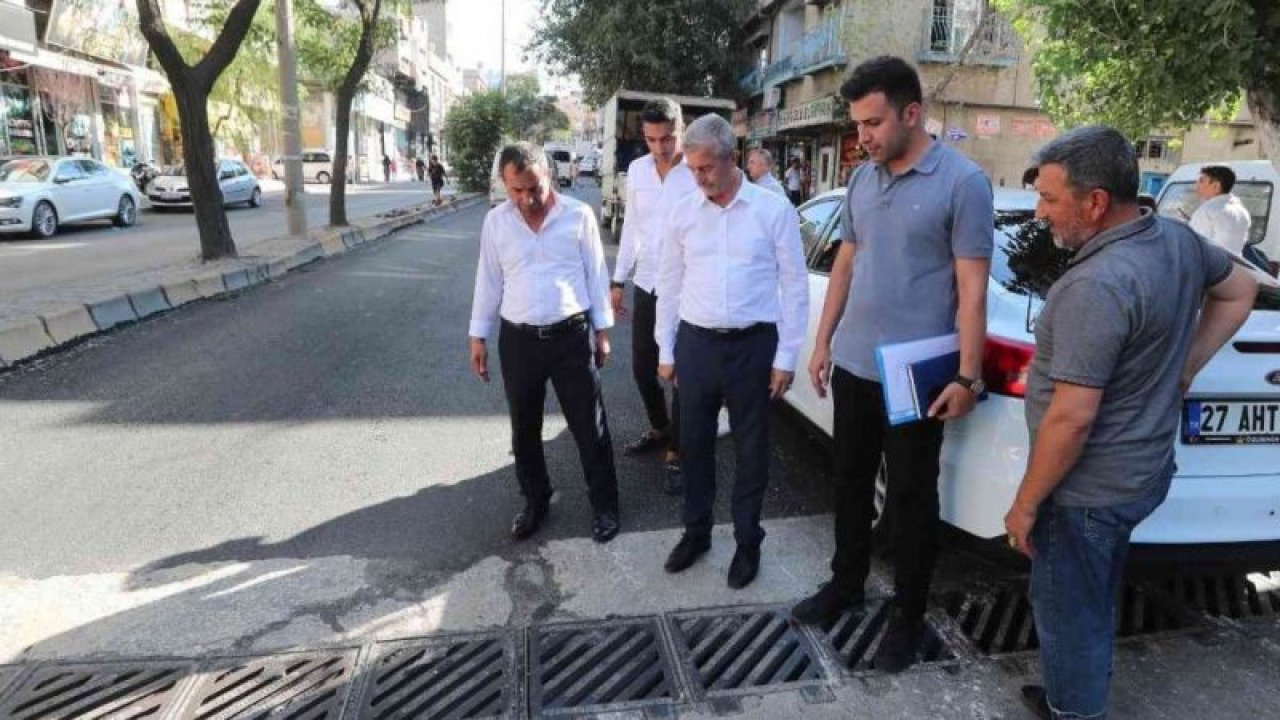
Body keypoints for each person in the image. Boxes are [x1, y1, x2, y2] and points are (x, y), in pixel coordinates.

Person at [1006, 126, 1257, 720]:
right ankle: (1077, 693)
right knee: (1092, 595)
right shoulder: (1175, 238)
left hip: (1087, 492)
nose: (1040, 213)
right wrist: (1186, 368)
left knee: (1071, 612)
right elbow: (1241, 288)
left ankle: (1074, 709)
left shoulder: (1095, 285)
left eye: (1049, 198)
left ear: (1095, 202)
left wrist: (1025, 504)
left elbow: (1072, 419)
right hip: (1142, 472)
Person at [790, 56, 994, 675]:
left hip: (916, 374)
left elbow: (973, 290)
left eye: (873, 123)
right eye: (858, 124)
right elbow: (846, 263)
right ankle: (846, 583)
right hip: (855, 363)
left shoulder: (963, 183)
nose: (863, 136)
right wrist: (823, 342)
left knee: (910, 498)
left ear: (912, 113)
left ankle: (907, 617)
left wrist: (967, 375)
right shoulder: (862, 179)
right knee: (849, 482)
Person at [655, 114, 808, 589]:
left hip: (752, 346)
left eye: (706, 168)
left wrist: (786, 358)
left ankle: (747, 542)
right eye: (692, 169)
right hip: (697, 344)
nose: (699, 178)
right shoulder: (683, 211)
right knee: (694, 445)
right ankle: (696, 533)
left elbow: (795, 287)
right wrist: (666, 348)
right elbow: (669, 283)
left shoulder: (773, 210)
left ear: (731, 158)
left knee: (752, 451)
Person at [468, 142, 621, 545]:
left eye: (534, 188)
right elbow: (488, 280)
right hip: (519, 341)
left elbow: (596, 274)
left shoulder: (578, 215)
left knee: (589, 426)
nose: (527, 198)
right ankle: (536, 501)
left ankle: (605, 505)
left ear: (549, 176)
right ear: (505, 184)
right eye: (516, 190)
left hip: (572, 337)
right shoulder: (496, 223)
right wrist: (478, 335)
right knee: (524, 429)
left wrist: (602, 332)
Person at [611, 98, 699, 494]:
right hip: (647, 281)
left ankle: (678, 450)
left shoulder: (697, 169)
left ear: (681, 130)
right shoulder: (637, 170)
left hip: (687, 286)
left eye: (667, 138)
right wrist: (618, 280)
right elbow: (632, 226)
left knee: (680, 371)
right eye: (651, 139)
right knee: (642, 368)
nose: (660, 148)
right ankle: (661, 427)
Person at [1189, 164, 1252, 256]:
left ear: (1216, 186)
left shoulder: (1207, 211)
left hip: (1211, 263)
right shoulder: (1242, 211)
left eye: (1202, 181)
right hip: (1235, 263)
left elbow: (1194, 248)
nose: (1197, 185)